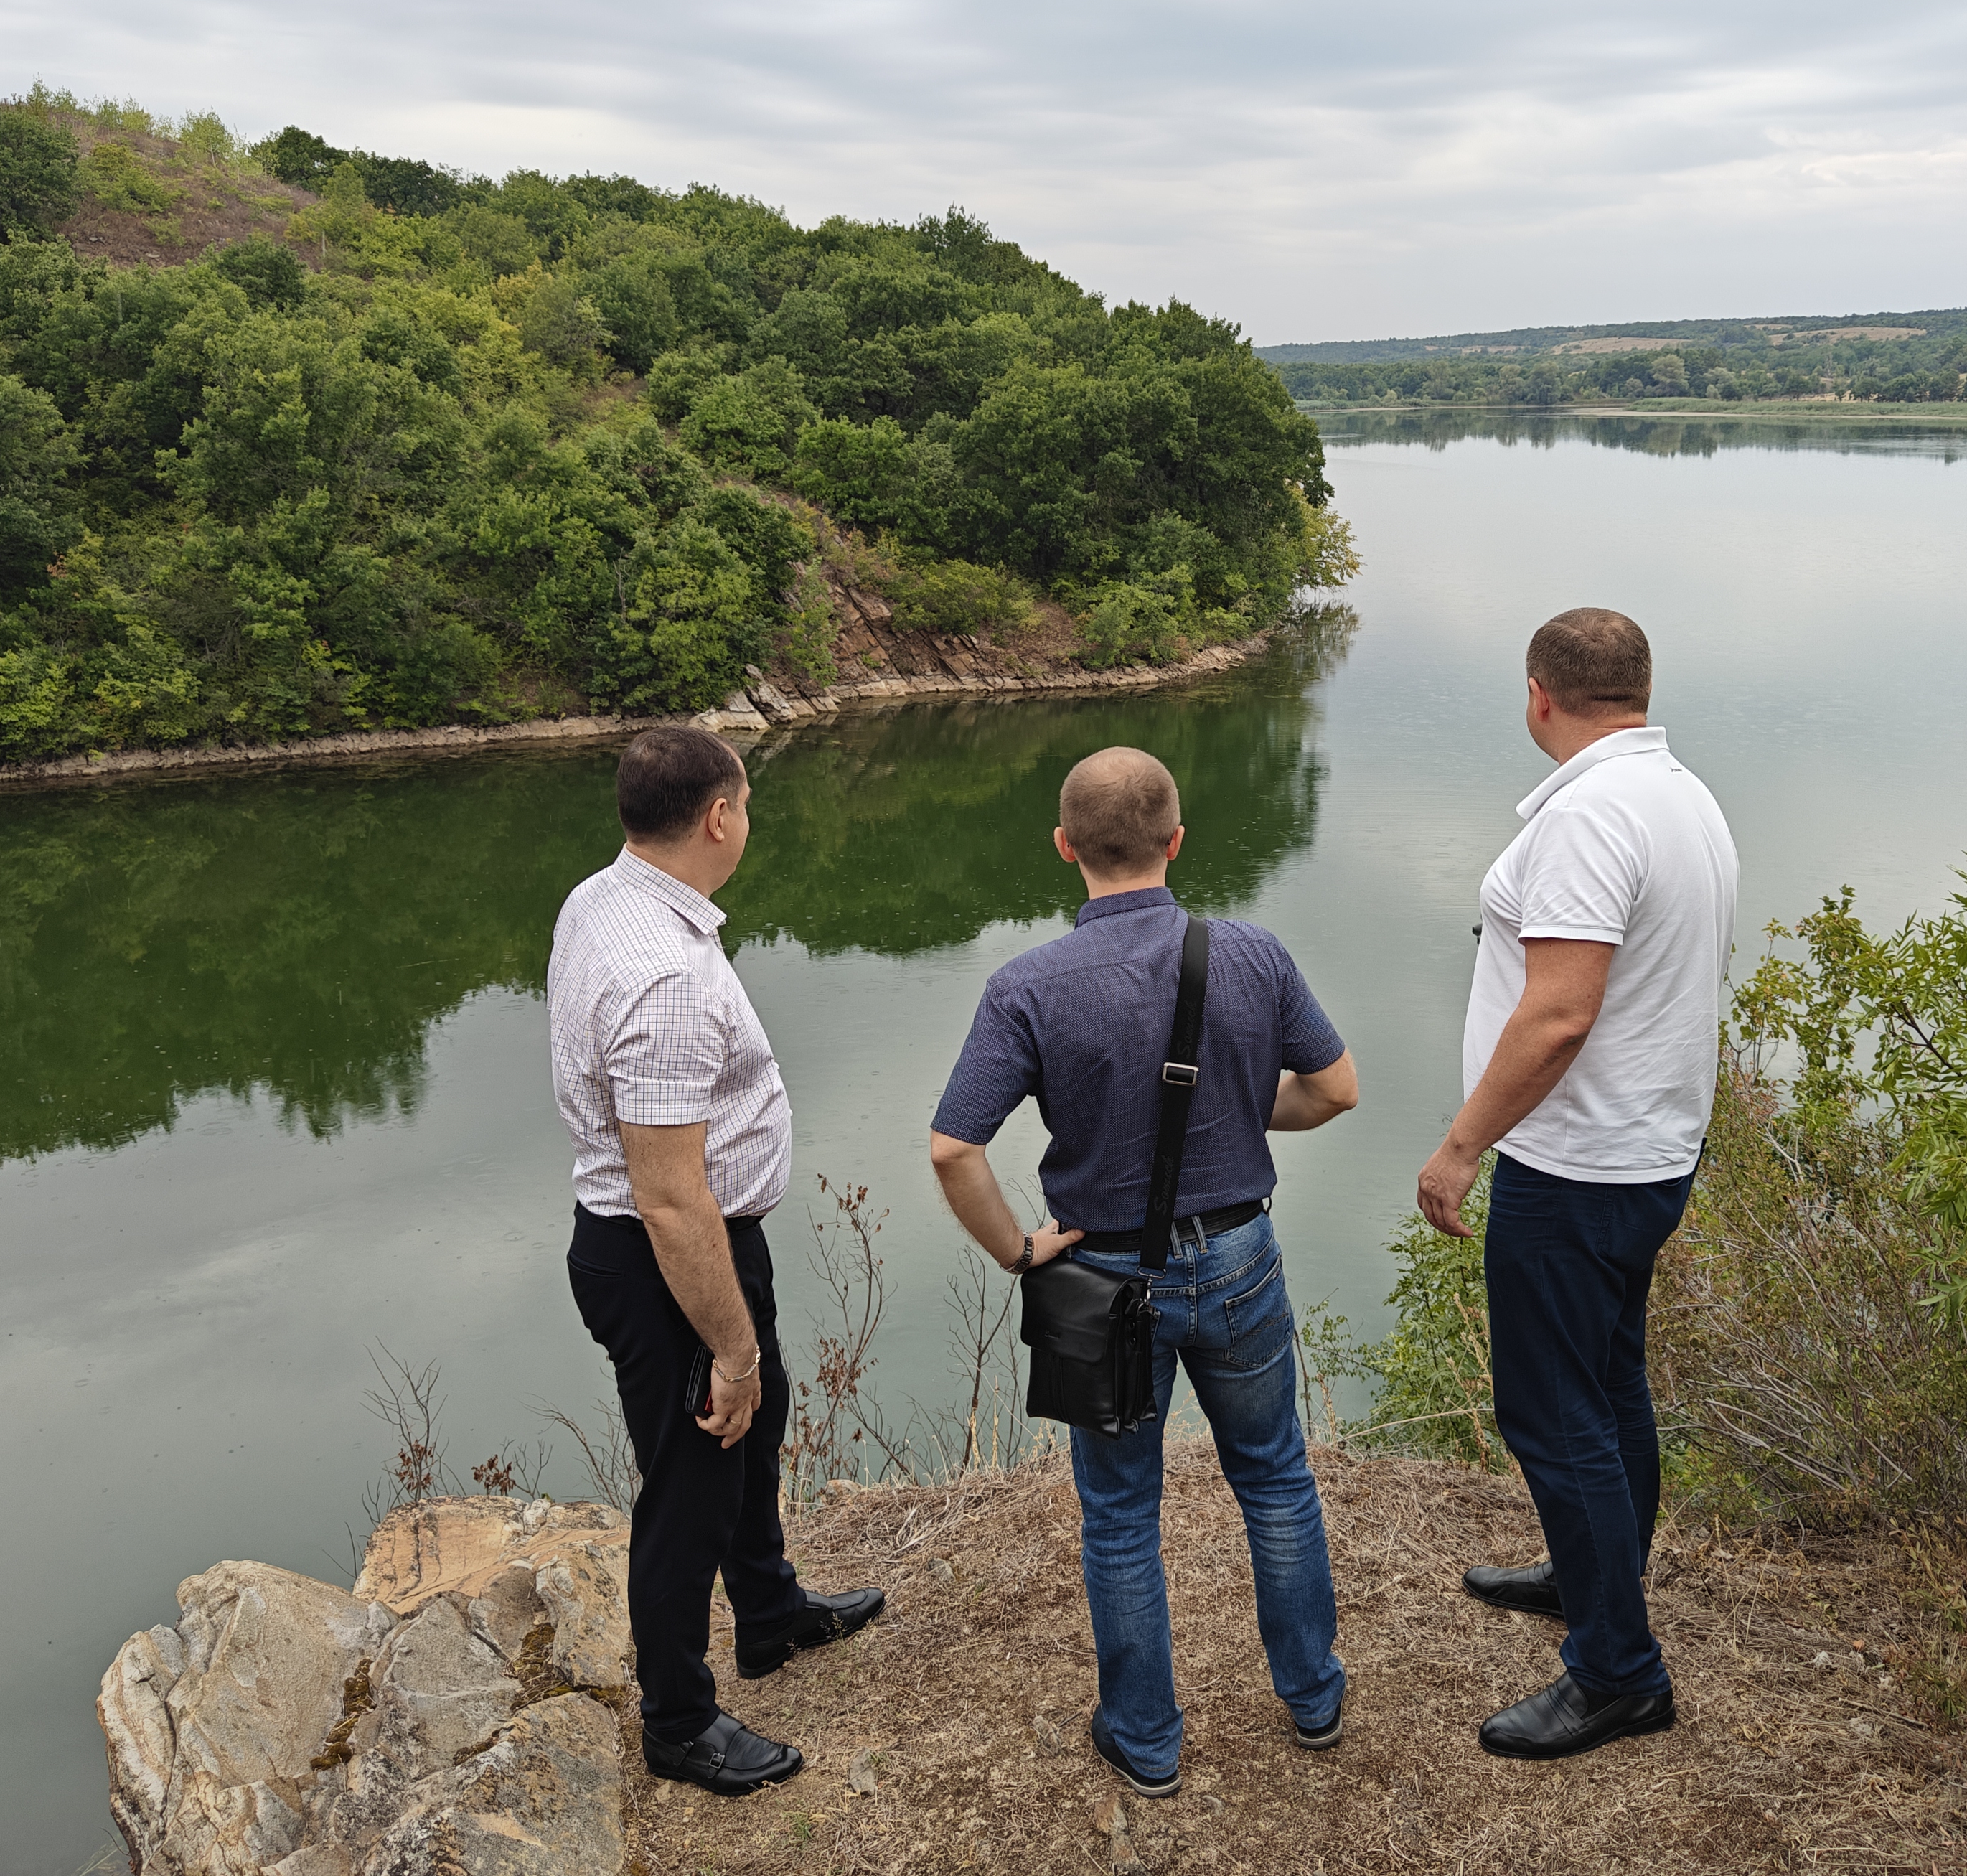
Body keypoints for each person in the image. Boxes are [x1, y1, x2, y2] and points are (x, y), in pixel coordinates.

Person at [926, 746, 1361, 1798]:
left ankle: (1148, 1742)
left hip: (1101, 1282)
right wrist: (1233, 1103)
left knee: (1121, 1513)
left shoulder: (1026, 986)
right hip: (1241, 1257)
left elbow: (953, 1150)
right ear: (1176, 843)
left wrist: (1018, 1251)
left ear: (1065, 849)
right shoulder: (1252, 954)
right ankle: (1313, 1701)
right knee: (1276, 1476)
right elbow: (1335, 1090)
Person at [1413, 607, 1738, 1761]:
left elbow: (1559, 1012)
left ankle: (1617, 1672)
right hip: (1647, 1150)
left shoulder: (1592, 815)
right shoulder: (1681, 795)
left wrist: (1462, 1147)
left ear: (1539, 695)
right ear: (1639, 690)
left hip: (1577, 1163)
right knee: (1608, 1388)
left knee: (1554, 1417)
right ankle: (1591, 1577)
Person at [550, 725, 885, 1796]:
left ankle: (773, 1613)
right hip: (668, 1261)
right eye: (749, 801)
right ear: (720, 816)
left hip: (705, 1244)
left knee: (763, 1418)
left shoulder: (607, 897)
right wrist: (728, 1347)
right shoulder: (662, 979)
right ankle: (679, 1723)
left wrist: (750, 1357)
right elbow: (669, 1197)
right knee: (689, 1485)